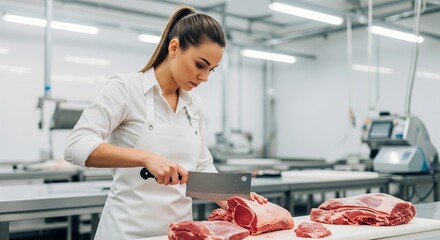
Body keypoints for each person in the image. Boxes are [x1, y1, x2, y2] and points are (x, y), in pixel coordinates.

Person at [64, 6, 268, 239]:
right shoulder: (125, 88)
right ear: (174, 48)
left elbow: (201, 165)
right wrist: (146, 157)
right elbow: (76, 146)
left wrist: (233, 196)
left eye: (212, 69)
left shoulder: (194, 104)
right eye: (200, 65)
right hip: (126, 232)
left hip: (179, 233)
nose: (205, 77)